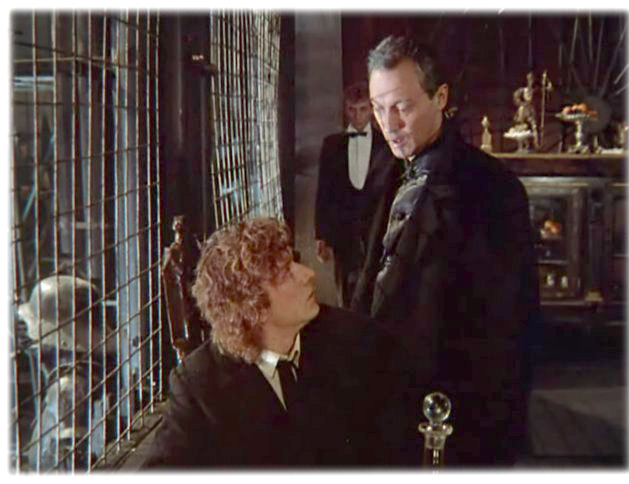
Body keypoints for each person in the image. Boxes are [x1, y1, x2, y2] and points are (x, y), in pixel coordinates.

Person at [351, 35, 540, 467]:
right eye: (378, 108)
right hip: (387, 405)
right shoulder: (386, 168)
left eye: (402, 106)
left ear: (440, 98)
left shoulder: (491, 188)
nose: (388, 123)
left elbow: (510, 328)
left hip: (457, 418)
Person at [143, 217, 417, 468]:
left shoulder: (357, 339)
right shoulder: (200, 384)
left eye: (294, 261)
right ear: (251, 305)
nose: (308, 274)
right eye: (286, 273)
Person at [315, 81, 390, 308]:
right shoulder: (331, 145)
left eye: (363, 109)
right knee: (344, 291)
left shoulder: (386, 145)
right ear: (345, 109)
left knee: (377, 288)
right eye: (352, 110)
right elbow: (323, 191)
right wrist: (321, 235)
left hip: (377, 230)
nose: (357, 116)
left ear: (371, 109)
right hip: (343, 231)